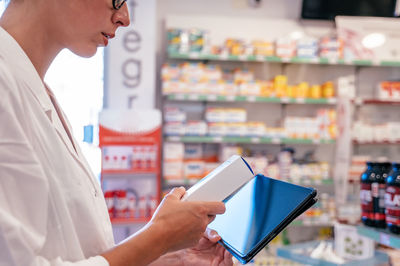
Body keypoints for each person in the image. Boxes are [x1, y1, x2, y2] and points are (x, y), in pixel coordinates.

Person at [0, 0, 233, 265]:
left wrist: (173, 259)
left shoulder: (35, 90)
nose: (124, 18)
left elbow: (74, 254)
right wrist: (160, 235)